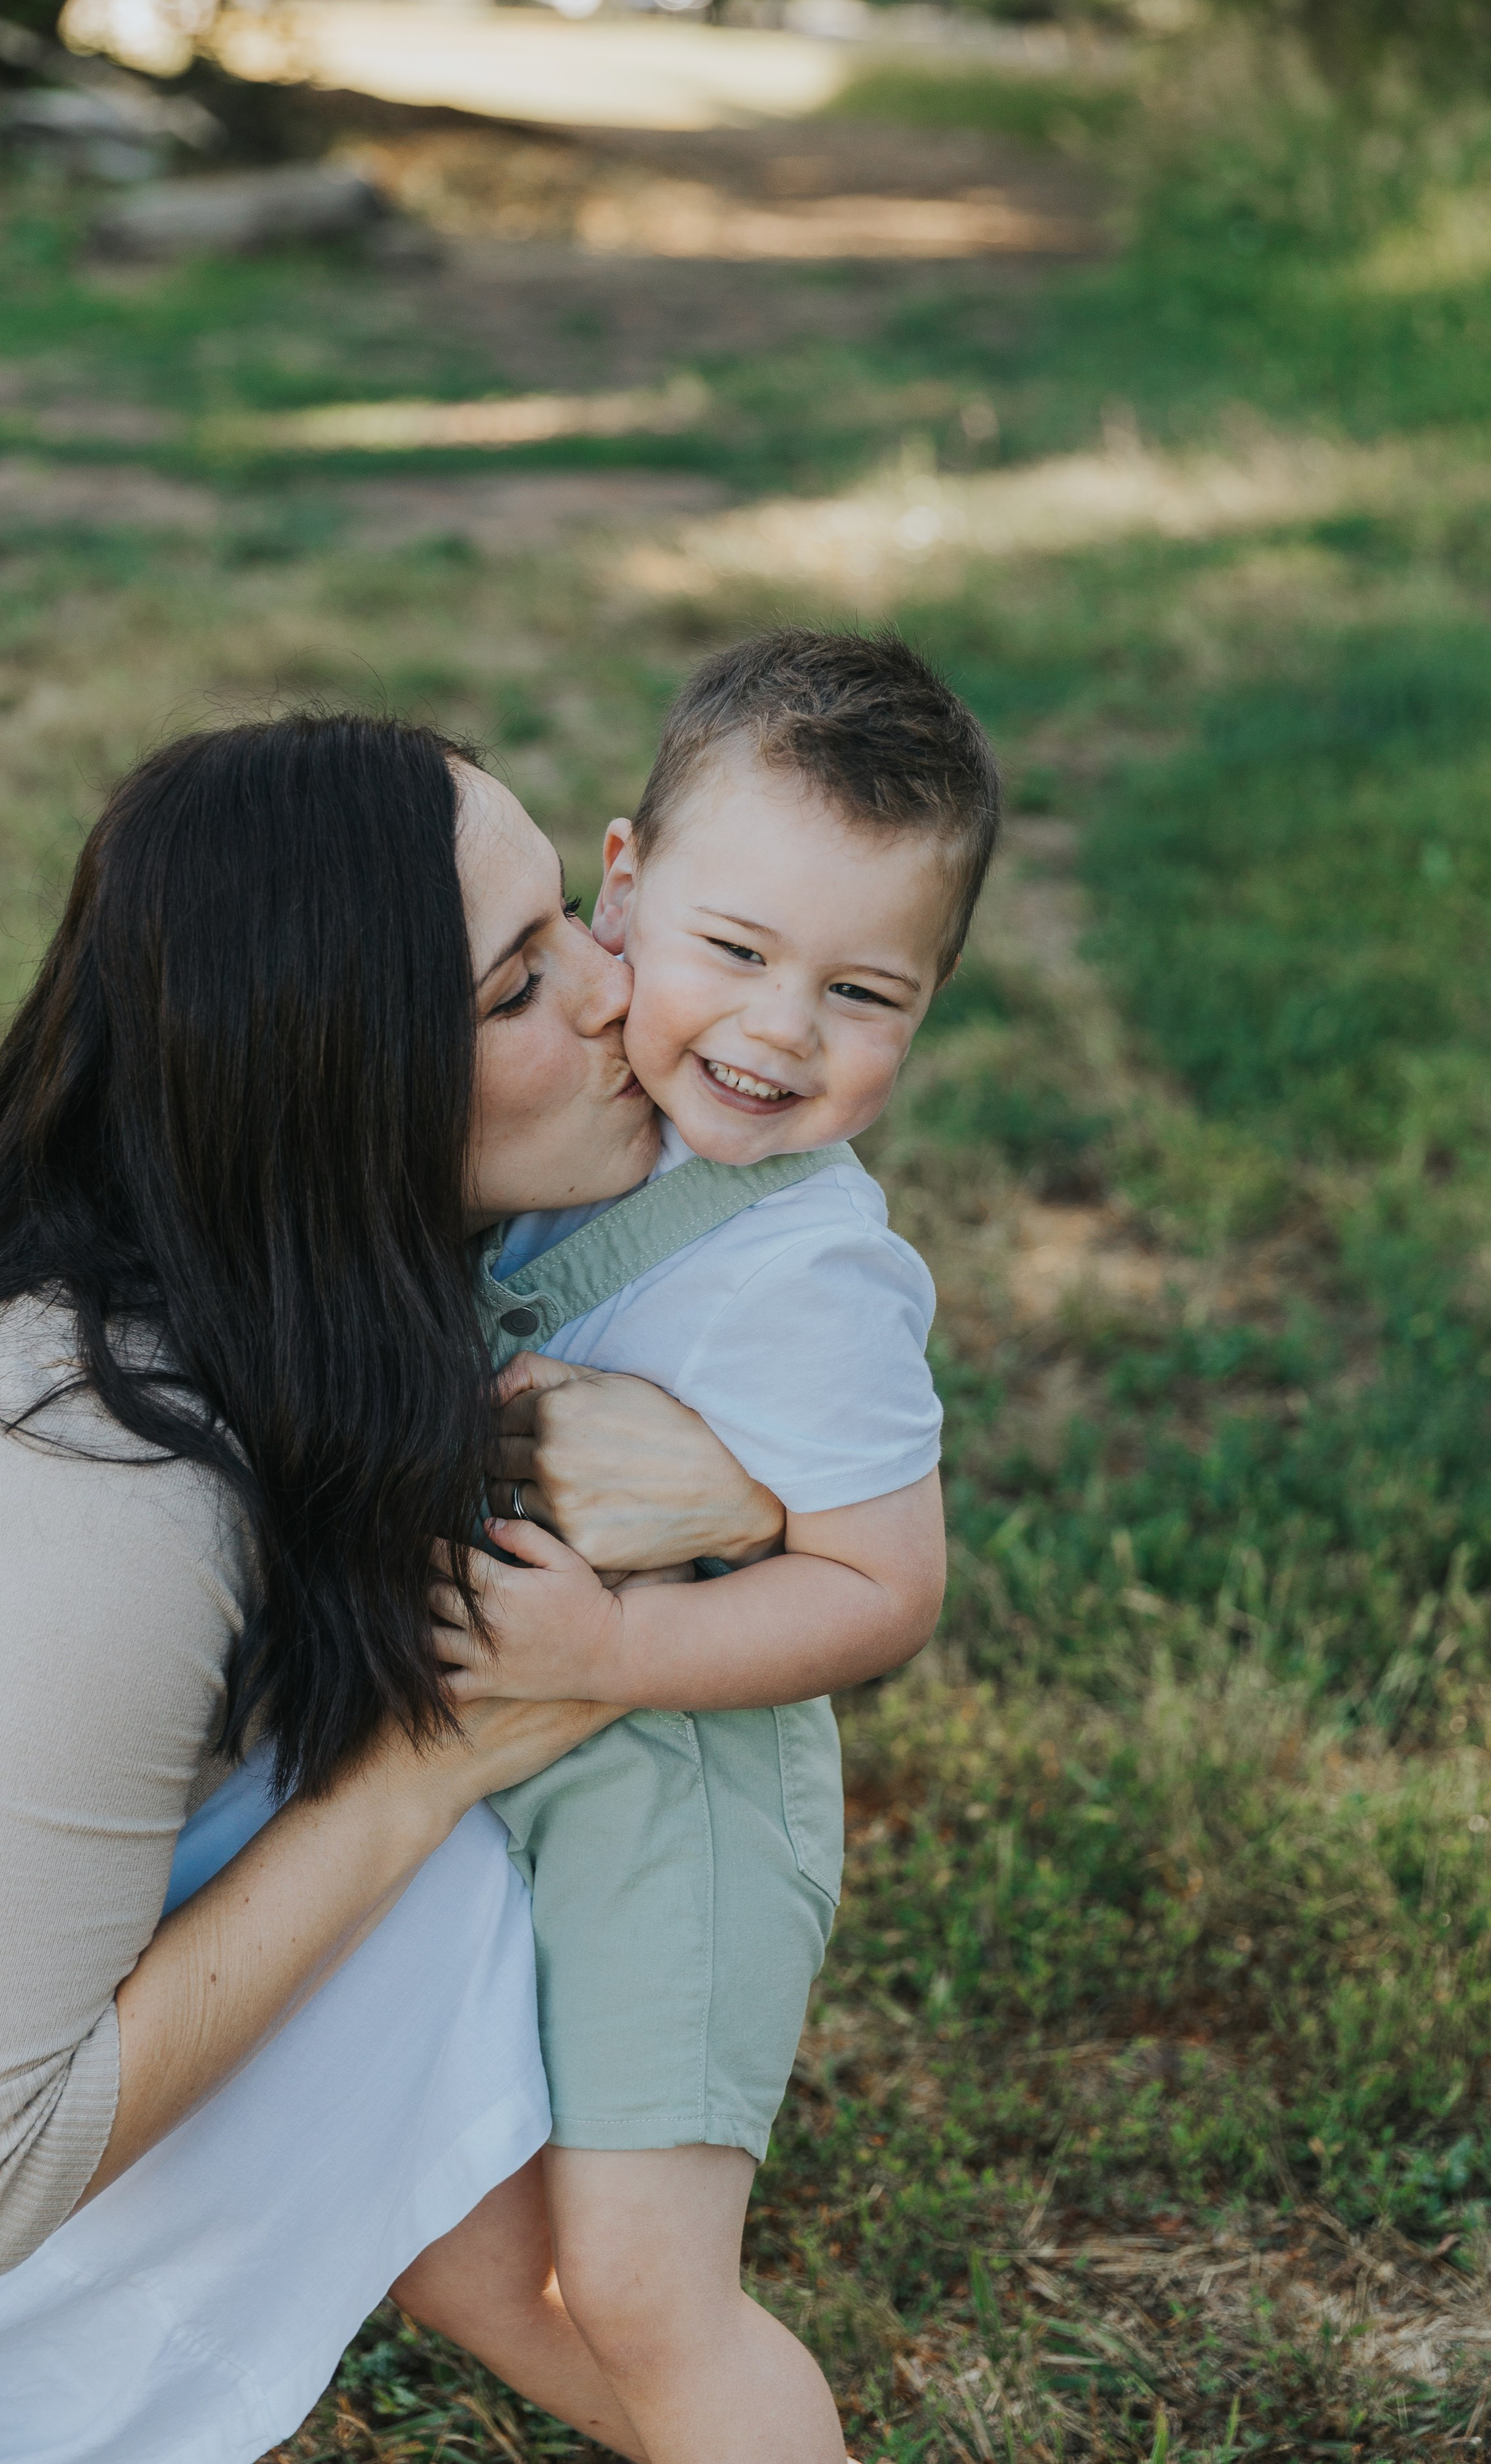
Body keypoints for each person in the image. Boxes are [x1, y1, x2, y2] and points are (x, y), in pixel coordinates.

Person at [0, 713, 782, 2464]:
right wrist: (422, 1777)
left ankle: (711, 2403)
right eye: (517, 986)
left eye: (572, 927)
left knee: (364, 1852)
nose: (619, 994)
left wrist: (748, 1487)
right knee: (401, 1865)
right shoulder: (101, 1467)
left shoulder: (259, 1299)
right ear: (340, 1087)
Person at [407, 630, 1001, 2464]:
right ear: (623, 886)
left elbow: (886, 1587)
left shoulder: (807, 1275)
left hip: (678, 1803)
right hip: (522, 1777)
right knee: (453, 2247)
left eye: (862, 995)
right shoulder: (557, 1119)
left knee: (653, 2288)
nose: (773, 1033)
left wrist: (618, 1657)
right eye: (736, 953)